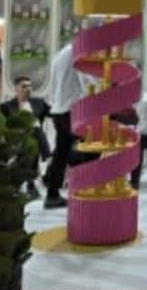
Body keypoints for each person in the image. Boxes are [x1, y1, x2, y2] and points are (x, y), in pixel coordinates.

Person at [45, 44, 86, 209]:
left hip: (58, 110)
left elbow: (54, 83)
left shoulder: (60, 54)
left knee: (60, 154)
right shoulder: (80, 52)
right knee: (89, 148)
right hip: (72, 109)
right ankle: (83, 192)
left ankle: (52, 195)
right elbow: (87, 81)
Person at [0, 76, 52, 199]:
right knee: (35, 131)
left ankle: (30, 183)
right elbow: (1, 127)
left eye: (30, 86)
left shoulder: (39, 103)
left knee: (35, 132)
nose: (28, 89)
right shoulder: (6, 107)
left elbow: (54, 113)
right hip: (16, 140)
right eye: (24, 86)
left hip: (33, 141)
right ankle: (45, 156)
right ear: (16, 89)